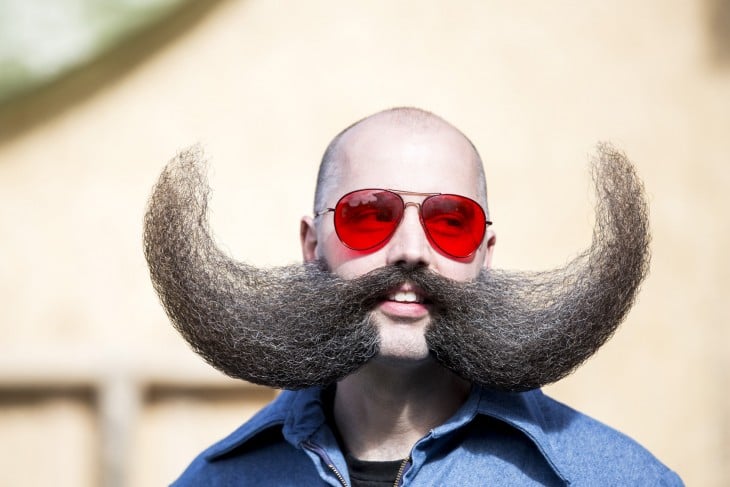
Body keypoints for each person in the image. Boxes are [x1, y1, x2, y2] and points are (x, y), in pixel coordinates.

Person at [143, 107, 684, 485]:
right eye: (369, 215)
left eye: (450, 222)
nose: (409, 251)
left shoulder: (620, 479)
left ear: (484, 253)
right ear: (312, 244)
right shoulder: (214, 482)